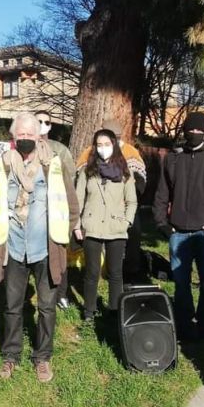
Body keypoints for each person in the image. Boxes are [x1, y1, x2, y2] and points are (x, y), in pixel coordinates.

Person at [0, 113, 79, 382]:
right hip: (15, 246)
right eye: (21, 135)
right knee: (12, 306)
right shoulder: (3, 165)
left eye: (30, 134)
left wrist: (67, 235)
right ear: (13, 137)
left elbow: (70, 201)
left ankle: (42, 358)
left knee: (46, 307)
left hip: (45, 247)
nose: (26, 138)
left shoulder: (53, 163)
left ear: (38, 135)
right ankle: (11, 355)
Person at [153, 111, 204, 340]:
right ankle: (184, 322)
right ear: (184, 131)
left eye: (200, 131)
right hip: (178, 232)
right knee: (181, 283)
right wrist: (163, 225)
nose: (195, 134)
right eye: (191, 130)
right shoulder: (173, 158)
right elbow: (162, 194)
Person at [75, 120, 148, 292]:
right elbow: (80, 176)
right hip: (95, 210)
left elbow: (140, 178)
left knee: (134, 235)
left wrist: (127, 212)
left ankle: (130, 272)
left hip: (121, 208)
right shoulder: (89, 152)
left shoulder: (130, 151)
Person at [74, 129, 137, 321]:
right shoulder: (87, 171)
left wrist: (126, 222)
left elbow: (132, 201)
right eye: (99, 145)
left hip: (116, 228)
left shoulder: (125, 172)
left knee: (115, 273)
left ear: (114, 145)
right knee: (92, 272)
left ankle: (115, 311)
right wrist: (77, 225)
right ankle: (89, 312)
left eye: (107, 145)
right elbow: (78, 199)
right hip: (91, 227)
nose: (103, 149)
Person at [34, 110, 75, 310]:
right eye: (38, 121)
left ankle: (61, 293)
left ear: (51, 126)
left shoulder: (60, 150)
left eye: (46, 122)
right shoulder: (25, 147)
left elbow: (71, 179)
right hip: (35, 212)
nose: (42, 124)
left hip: (57, 211)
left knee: (59, 254)